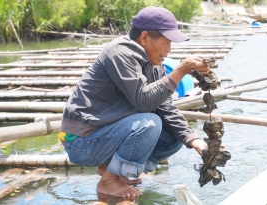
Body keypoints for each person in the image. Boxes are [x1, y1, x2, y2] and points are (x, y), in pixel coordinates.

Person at [59, 6, 210, 198]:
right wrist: (179, 71)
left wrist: (194, 140)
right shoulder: (120, 52)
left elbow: (165, 108)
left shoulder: (155, 65)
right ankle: (109, 181)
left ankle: (117, 172)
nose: (169, 49)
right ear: (145, 37)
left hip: (105, 137)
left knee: (175, 138)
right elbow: (144, 102)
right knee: (149, 123)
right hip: (81, 142)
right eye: (165, 42)